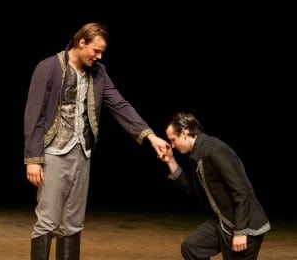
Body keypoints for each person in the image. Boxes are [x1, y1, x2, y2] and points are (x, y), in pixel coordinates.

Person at [24, 22, 169, 260]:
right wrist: (33, 159)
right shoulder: (49, 67)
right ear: (82, 42)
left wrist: (150, 136)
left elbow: (120, 105)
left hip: (82, 154)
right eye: (96, 51)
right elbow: (34, 115)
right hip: (53, 153)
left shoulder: (99, 73)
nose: (99, 56)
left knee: (73, 222)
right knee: (48, 220)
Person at [158, 112, 271, 260]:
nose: (172, 145)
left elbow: (242, 190)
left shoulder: (214, 150)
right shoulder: (198, 154)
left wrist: (241, 231)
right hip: (223, 222)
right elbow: (191, 190)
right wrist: (171, 161)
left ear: (185, 133)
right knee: (192, 246)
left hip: (245, 225)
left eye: (173, 139)